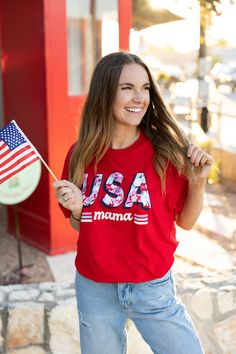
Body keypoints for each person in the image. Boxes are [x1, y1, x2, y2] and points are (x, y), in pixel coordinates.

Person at [53, 51, 213, 354]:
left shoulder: (165, 150)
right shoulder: (80, 155)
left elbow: (187, 222)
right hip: (95, 288)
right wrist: (77, 209)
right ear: (105, 93)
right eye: (127, 88)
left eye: (145, 88)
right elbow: (80, 224)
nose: (139, 97)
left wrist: (198, 182)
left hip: (152, 289)